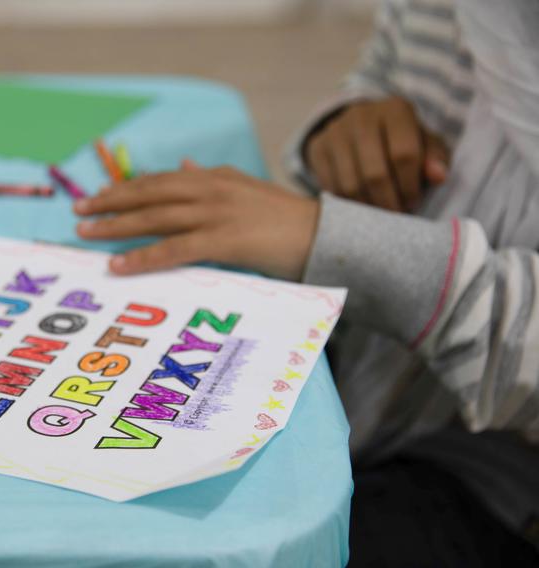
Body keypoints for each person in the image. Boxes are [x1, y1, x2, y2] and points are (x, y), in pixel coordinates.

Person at [73, 0, 539, 565]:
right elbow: (388, 63)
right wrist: (351, 121)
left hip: (505, 475)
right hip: (382, 358)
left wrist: (330, 239)